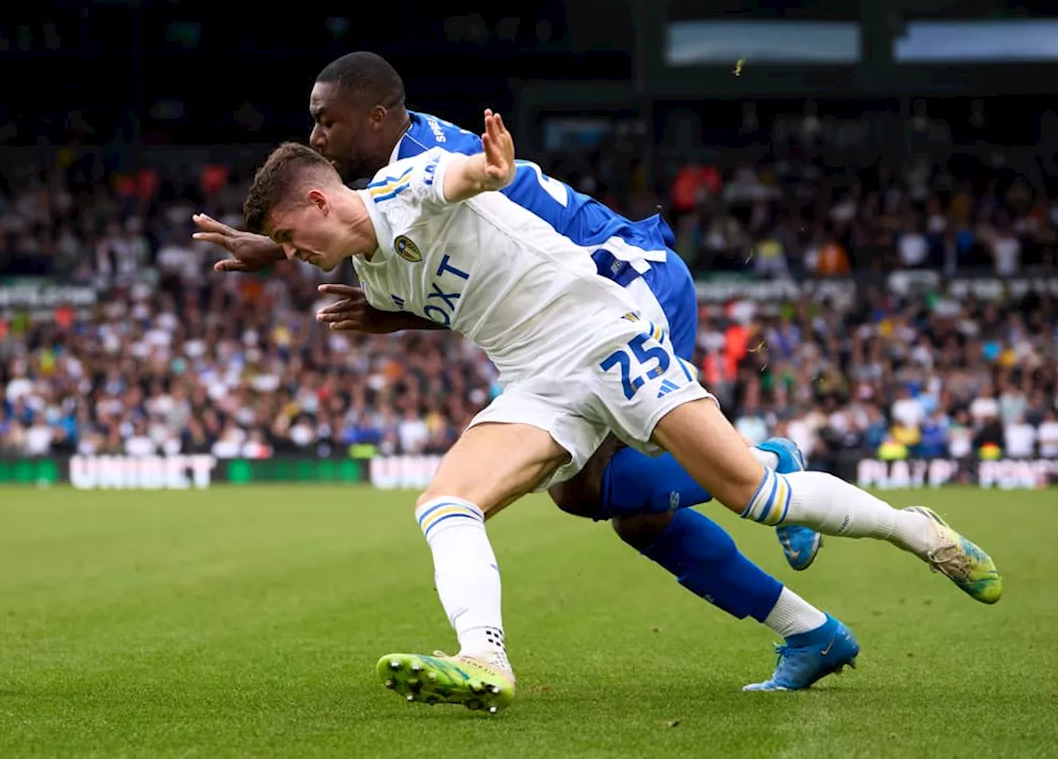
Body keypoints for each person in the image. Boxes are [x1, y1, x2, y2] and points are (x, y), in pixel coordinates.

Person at [201, 112, 1001, 714]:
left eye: (287, 235)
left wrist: (486, 167)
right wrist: (285, 250)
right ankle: (485, 658)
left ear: (315, 198)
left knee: (758, 495)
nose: (291, 253)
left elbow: (456, 181)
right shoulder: (371, 277)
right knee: (446, 501)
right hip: (538, 381)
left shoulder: (405, 185)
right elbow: (441, 282)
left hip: (604, 336)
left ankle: (916, 530)